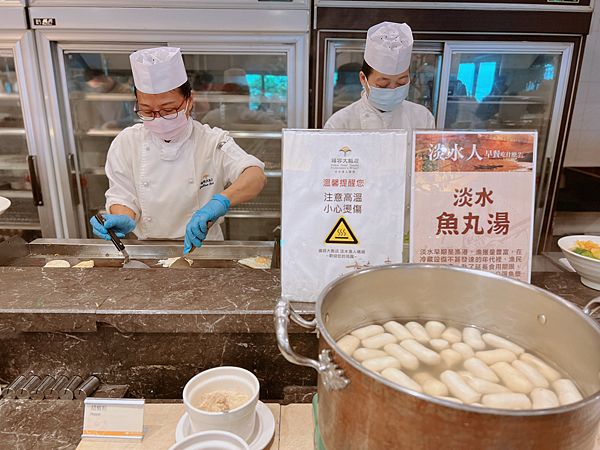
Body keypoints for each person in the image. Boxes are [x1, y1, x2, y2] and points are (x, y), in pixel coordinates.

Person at [89, 47, 267, 254]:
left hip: (205, 251)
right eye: (147, 111)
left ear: (189, 101)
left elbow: (255, 175)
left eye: (169, 110)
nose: (159, 119)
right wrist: (123, 218)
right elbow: (122, 196)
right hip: (148, 252)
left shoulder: (212, 140)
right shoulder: (126, 142)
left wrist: (221, 201)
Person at [324, 21, 435, 132]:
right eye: (383, 85)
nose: (393, 90)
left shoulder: (423, 119)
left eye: (401, 83)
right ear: (363, 79)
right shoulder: (339, 124)